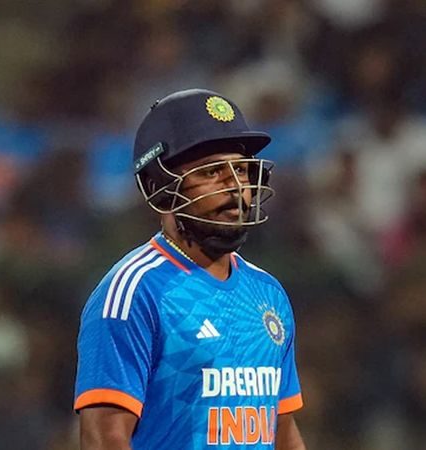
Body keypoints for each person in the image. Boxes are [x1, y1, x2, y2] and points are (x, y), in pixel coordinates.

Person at [73, 89, 306, 449]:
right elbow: (103, 439)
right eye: (213, 171)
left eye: (241, 169)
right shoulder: (134, 292)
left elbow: (283, 434)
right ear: (160, 187)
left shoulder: (268, 293)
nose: (236, 187)